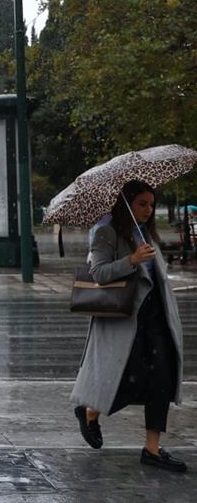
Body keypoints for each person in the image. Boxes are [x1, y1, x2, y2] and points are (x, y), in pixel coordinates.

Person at [71, 181, 186, 472]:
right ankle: (90, 410)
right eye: (142, 204)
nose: (148, 210)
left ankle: (152, 448)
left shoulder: (148, 233)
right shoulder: (107, 233)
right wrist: (132, 260)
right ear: (128, 205)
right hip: (126, 319)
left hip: (156, 315)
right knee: (128, 376)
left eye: (151, 204)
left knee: (162, 377)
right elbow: (98, 272)